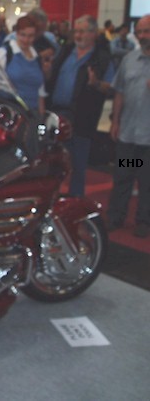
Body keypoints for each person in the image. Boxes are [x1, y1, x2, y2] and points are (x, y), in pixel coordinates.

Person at [47, 15, 115, 196]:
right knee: (52, 164)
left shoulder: (102, 59)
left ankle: (75, 201)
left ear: (93, 33)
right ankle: (52, 200)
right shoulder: (65, 52)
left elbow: (111, 88)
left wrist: (96, 83)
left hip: (82, 118)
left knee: (78, 165)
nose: (78, 35)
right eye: (76, 31)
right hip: (56, 114)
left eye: (82, 31)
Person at [107, 14, 150, 238]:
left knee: (147, 181)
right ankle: (116, 217)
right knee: (123, 176)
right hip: (128, 134)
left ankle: (144, 221)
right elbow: (119, 92)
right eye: (140, 32)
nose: (143, 36)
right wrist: (115, 121)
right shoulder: (129, 59)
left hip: (148, 139)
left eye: (147, 31)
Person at [0, 16, 46, 115]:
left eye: (30, 36)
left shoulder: (37, 57)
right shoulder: (3, 54)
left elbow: (40, 92)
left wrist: (41, 116)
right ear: (16, 33)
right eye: (23, 35)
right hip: (9, 114)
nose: (26, 40)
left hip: (33, 115)